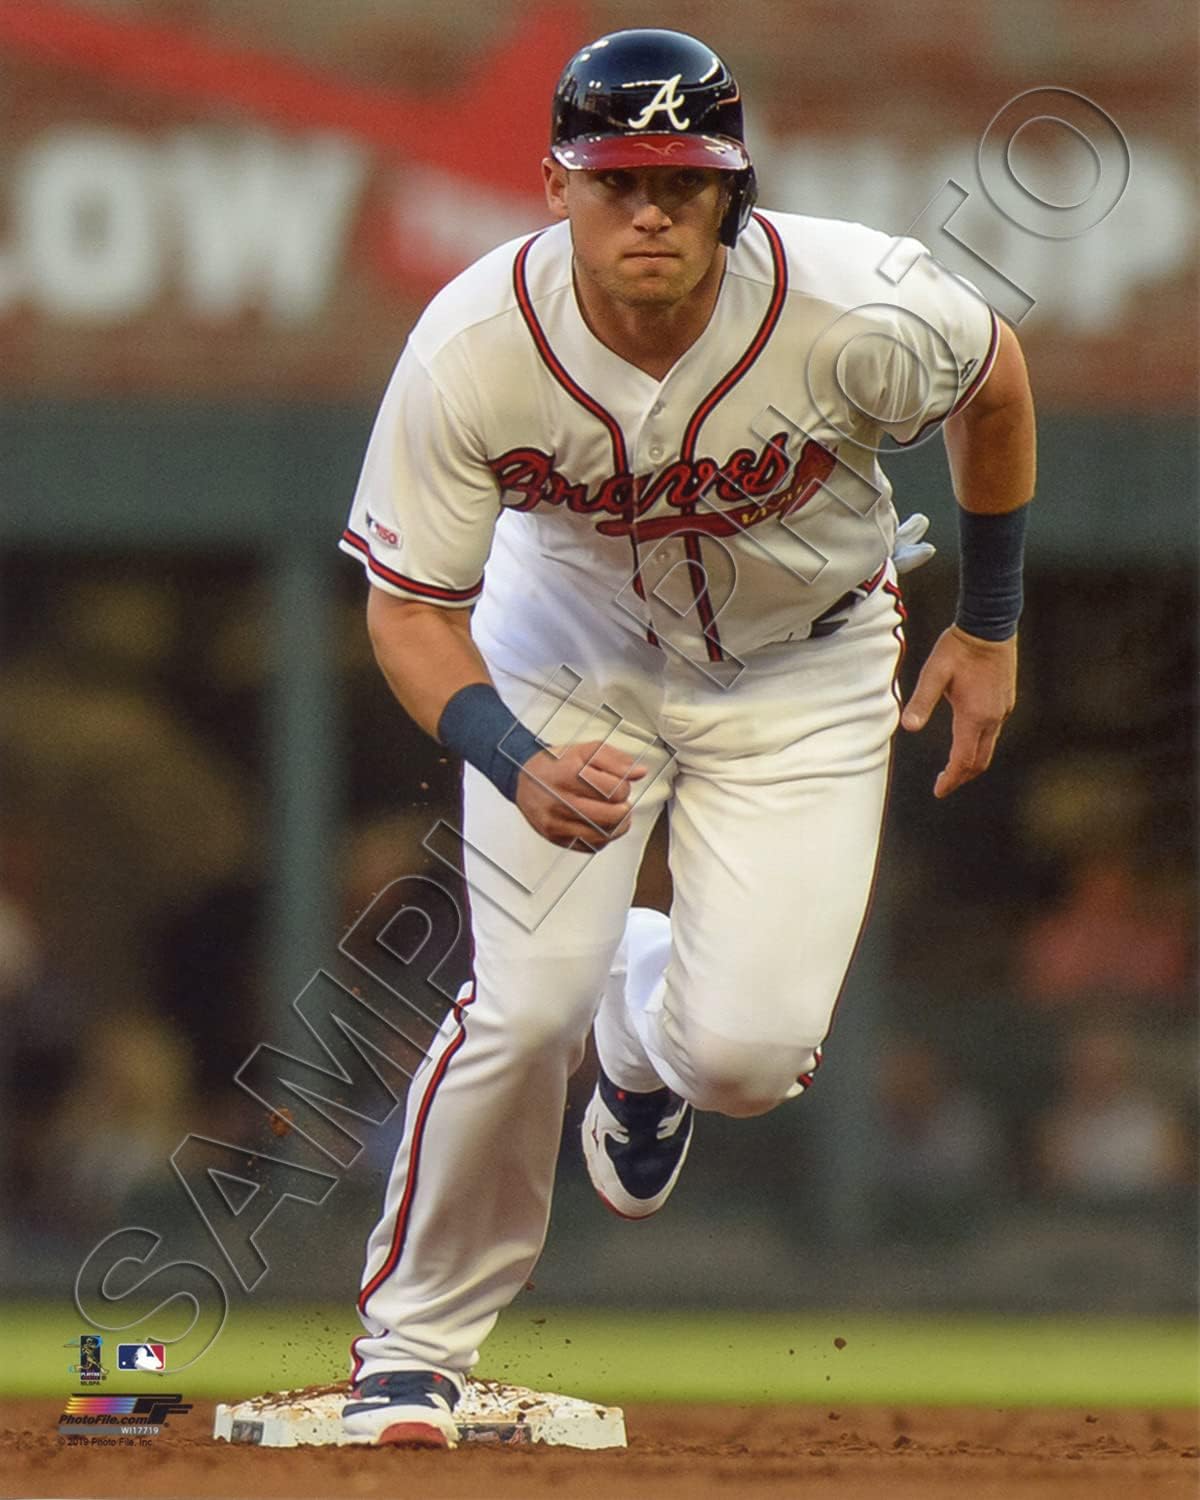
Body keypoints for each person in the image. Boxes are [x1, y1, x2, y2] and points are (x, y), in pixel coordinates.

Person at [338, 28, 1035, 1447]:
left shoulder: (851, 302)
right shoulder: (474, 345)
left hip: (805, 666)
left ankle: (643, 1030)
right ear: (555, 186)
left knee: (747, 1063)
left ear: (734, 188)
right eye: (616, 179)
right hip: (566, 656)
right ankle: (412, 1349)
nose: (649, 209)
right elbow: (409, 612)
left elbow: (998, 383)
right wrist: (511, 752)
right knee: (524, 1004)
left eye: (682, 179)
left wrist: (992, 623)